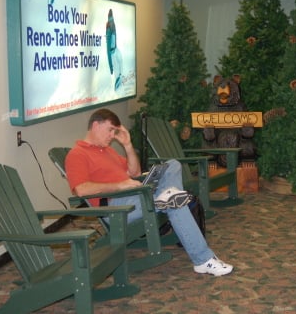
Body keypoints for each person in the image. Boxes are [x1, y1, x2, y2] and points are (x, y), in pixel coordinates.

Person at [65, 108, 233, 276]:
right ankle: (203, 259)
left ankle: (169, 196)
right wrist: (120, 186)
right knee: (175, 202)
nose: (112, 136)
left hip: (136, 196)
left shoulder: (108, 150)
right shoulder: (77, 154)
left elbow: (136, 173)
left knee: (173, 165)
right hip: (116, 207)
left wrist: (127, 145)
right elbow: (81, 189)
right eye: (110, 130)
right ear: (96, 125)